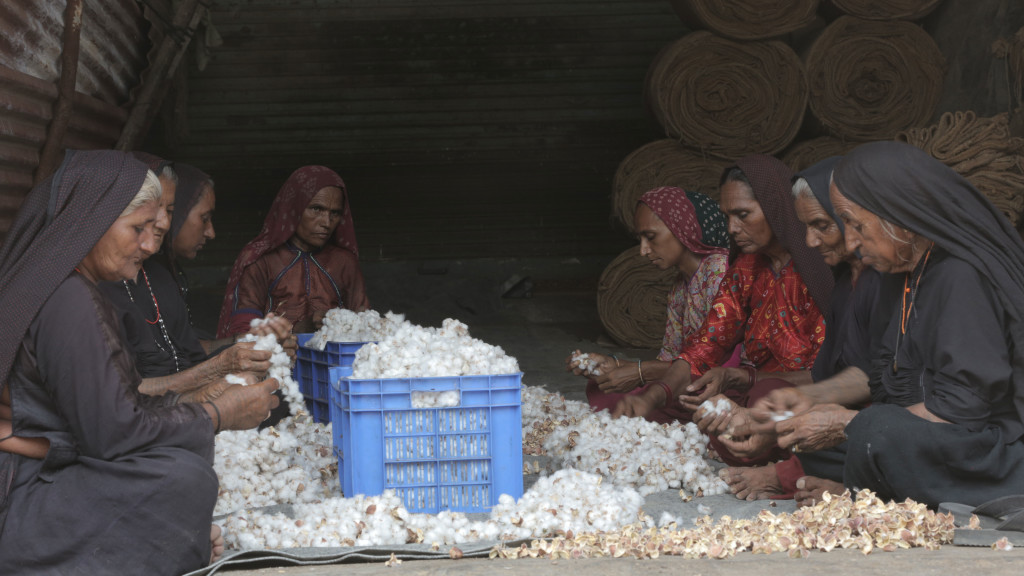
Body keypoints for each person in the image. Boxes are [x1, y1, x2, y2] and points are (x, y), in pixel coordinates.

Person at [0, 150, 280, 574]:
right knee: (181, 478)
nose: (150, 245)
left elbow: (114, 409)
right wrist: (217, 415)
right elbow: (112, 435)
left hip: (37, 479)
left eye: (156, 230)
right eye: (138, 229)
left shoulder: (62, 287)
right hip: (24, 497)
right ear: (89, 222)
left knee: (178, 473)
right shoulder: (69, 299)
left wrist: (200, 398)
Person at [752, 141, 1024, 508]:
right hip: (920, 438)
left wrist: (846, 426)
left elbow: (961, 414)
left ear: (900, 218)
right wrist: (813, 408)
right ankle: (867, 481)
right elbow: (880, 378)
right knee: (815, 440)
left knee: (874, 434)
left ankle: (860, 490)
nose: (850, 241)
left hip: (984, 451)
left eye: (856, 224)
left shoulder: (959, 276)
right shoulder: (902, 274)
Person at [612, 155, 833, 468]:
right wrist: (653, 396)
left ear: (775, 207)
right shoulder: (745, 268)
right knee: (681, 400)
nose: (732, 228)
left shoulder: (819, 269)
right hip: (750, 387)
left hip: (799, 396)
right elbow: (705, 346)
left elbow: (832, 373)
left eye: (743, 214)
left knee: (763, 400)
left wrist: (743, 378)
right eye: (728, 216)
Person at [713, 157, 885, 501]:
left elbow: (883, 386)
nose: (809, 241)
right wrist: (774, 421)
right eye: (805, 226)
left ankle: (793, 474)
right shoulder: (842, 285)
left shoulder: (877, 281)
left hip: (891, 416)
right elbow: (852, 376)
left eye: (822, 225)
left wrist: (800, 411)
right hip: (843, 403)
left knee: (880, 434)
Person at [98, 156, 293, 402]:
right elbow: (116, 397)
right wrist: (219, 373)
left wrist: (251, 347)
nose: (163, 224)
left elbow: (188, 352)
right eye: (151, 214)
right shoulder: (88, 294)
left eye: (169, 210)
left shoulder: (160, 278)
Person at [569, 187, 731, 424]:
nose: (644, 251)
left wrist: (638, 372)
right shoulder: (679, 288)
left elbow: (718, 363)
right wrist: (616, 365)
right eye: (641, 240)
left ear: (682, 230)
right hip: (688, 384)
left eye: (651, 237)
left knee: (638, 405)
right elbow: (672, 360)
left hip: (719, 385)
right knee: (602, 388)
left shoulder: (719, 271)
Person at [218, 165, 370, 338]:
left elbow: (365, 325)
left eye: (335, 213)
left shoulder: (344, 262)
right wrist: (299, 329)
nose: (327, 222)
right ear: (294, 207)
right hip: (274, 361)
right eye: (317, 209)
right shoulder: (261, 260)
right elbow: (243, 333)